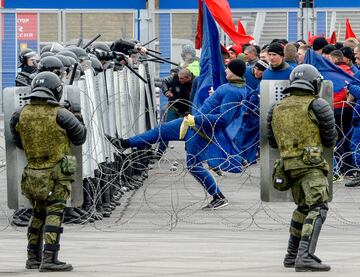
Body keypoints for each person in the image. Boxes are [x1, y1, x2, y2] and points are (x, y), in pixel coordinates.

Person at [106, 59, 249, 210]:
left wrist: (197, 118)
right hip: (191, 123)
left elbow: (223, 119)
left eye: (228, 69)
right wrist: (214, 96)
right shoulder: (232, 87)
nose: (225, 70)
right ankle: (124, 144)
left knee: (194, 165)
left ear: (234, 72)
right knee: (160, 131)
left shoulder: (232, 91)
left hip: (200, 130)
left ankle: (218, 197)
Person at [10, 72, 87, 271]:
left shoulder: (21, 113)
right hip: (57, 175)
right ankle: (50, 258)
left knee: (37, 214)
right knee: (55, 213)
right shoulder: (60, 114)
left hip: (32, 173)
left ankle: (32, 257)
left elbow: (17, 140)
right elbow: (80, 137)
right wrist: (76, 113)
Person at [267, 64, 337, 272]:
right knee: (318, 207)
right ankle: (305, 256)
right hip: (311, 166)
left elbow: (272, 142)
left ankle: (291, 255)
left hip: (288, 166)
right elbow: (329, 139)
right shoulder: (318, 105)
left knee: (303, 208)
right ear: (314, 84)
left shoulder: (276, 107)